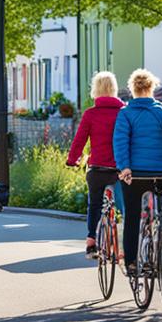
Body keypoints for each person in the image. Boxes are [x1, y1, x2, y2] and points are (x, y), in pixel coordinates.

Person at [113, 68, 162, 275]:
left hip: (134, 174)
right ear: (152, 88)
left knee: (131, 218)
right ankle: (159, 238)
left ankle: (131, 263)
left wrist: (125, 168)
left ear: (132, 89)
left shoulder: (125, 113)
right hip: (159, 173)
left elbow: (120, 142)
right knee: (160, 211)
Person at [66, 70, 125, 258]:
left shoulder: (90, 114)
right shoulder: (124, 113)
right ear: (114, 89)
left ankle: (91, 242)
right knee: (125, 207)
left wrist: (72, 160)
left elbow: (79, 140)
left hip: (97, 169)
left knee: (95, 204)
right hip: (119, 170)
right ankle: (124, 247)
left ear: (95, 90)